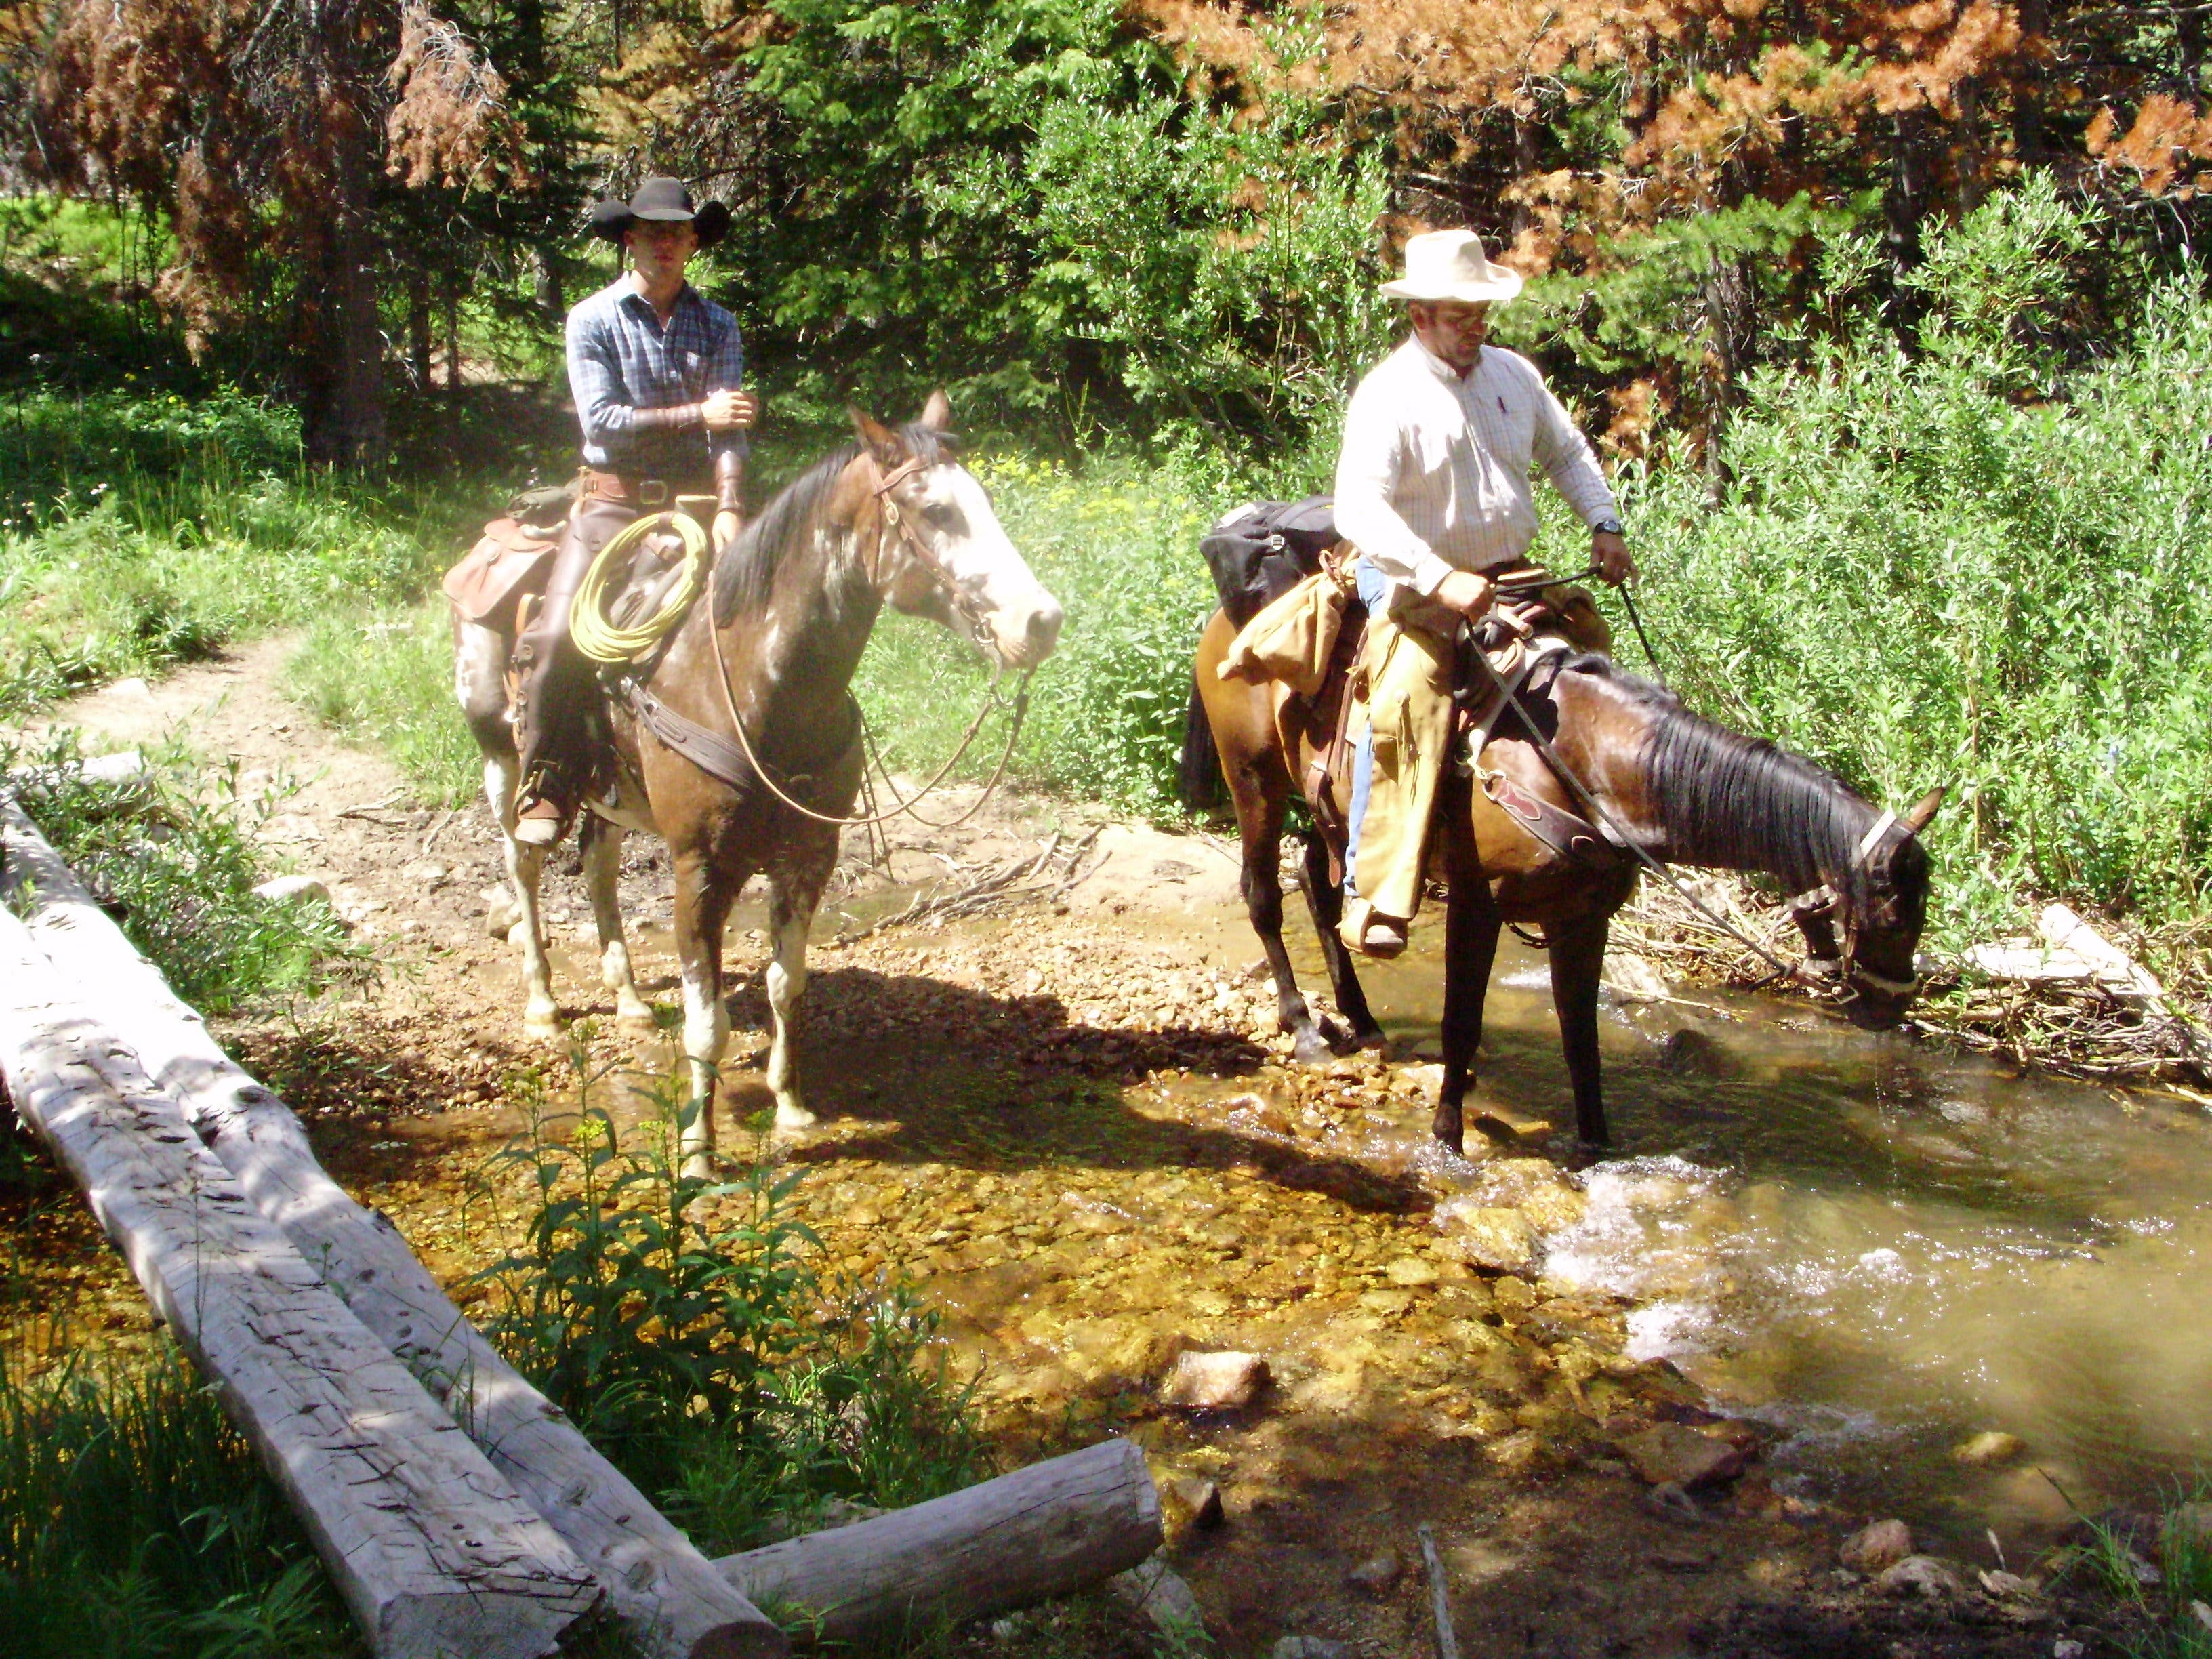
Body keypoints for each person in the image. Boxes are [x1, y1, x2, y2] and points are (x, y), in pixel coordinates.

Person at [1333, 228, 1636, 958]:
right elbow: (1359, 509)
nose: (1476, 326)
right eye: (1459, 314)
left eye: (1480, 312)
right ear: (1420, 317)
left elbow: (1566, 451)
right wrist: (1439, 575)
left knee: (1602, 672)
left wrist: (1604, 521)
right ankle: (1376, 892)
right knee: (1406, 700)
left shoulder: (1515, 375)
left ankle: (1616, 841)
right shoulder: (1388, 395)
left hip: (1515, 578)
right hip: (1420, 588)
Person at [510, 176, 758, 844]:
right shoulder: (594, 318)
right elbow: (604, 421)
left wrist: (731, 504)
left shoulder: (719, 323)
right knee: (561, 635)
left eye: (679, 233)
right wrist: (697, 414)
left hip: (698, 505)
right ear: (630, 239)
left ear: (693, 243)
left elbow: (728, 426)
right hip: (612, 505)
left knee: (772, 618)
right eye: (654, 233)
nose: (668, 245)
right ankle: (548, 779)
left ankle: (772, 767)